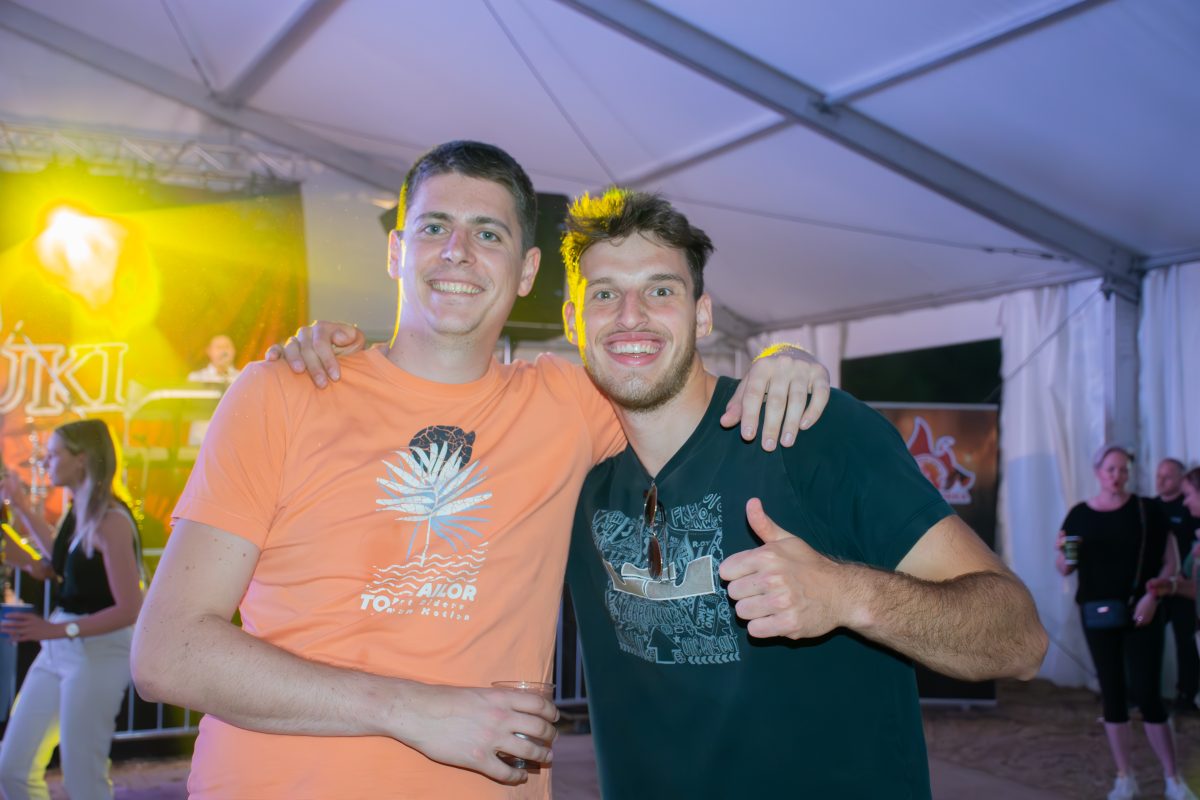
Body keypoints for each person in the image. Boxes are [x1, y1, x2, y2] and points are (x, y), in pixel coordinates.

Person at [290, 188, 1049, 797]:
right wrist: (339, 357)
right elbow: (433, 400)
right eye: (605, 295)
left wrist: (849, 596)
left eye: (660, 290)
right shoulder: (573, 468)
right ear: (572, 320)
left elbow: (1019, 639)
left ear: (702, 314)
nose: (632, 318)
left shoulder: (809, 432)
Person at [130, 141, 828, 799]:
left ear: (526, 272)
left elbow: (676, 378)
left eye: (488, 234)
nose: (457, 251)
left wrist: (782, 359)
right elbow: (167, 651)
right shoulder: (283, 392)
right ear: (397, 252)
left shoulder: (568, 402)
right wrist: (412, 710)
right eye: (435, 227)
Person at [0, 420, 144, 800]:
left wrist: (57, 630)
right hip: (63, 644)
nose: (45, 462)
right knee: (12, 769)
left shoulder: (112, 520)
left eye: (53, 455)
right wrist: (21, 508)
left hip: (99, 648)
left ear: (81, 459)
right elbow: (60, 560)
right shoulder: (78, 510)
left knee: (83, 777)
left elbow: (130, 608)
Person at [1056, 446, 1195, 800]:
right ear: (1097, 471)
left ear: (1130, 473)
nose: (1116, 476)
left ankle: (1172, 778)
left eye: (1123, 470)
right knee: (1113, 693)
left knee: (1148, 693)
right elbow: (1065, 567)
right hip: (1097, 613)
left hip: (1141, 610)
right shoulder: (1079, 515)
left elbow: (1170, 562)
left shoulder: (1147, 510)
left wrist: (1153, 596)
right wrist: (1064, 552)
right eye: (1110, 469)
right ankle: (1124, 776)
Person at [1156, 457, 1200, 713]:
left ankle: (1187, 694)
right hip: (1175, 588)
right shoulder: (1151, 507)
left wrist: (1172, 586)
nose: (1185, 502)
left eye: (1190, 495)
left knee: (1186, 642)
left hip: (1185, 596)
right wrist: (1168, 586)